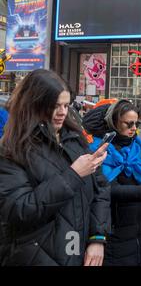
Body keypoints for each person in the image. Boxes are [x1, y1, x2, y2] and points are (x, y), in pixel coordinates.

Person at [0, 69, 110, 266]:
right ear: (34, 104)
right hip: (32, 256)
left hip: (76, 250)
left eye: (66, 105)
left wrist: (97, 238)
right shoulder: (11, 149)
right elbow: (20, 210)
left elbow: (100, 188)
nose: (62, 112)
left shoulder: (75, 138)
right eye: (54, 106)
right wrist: (74, 174)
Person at [82, 99, 141, 266]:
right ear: (114, 123)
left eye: (136, 123)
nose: (134, 128)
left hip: (140, 236)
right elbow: (109, 190)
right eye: (129, 124)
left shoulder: (137, 147)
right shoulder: (100, 151)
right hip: (114, 236)